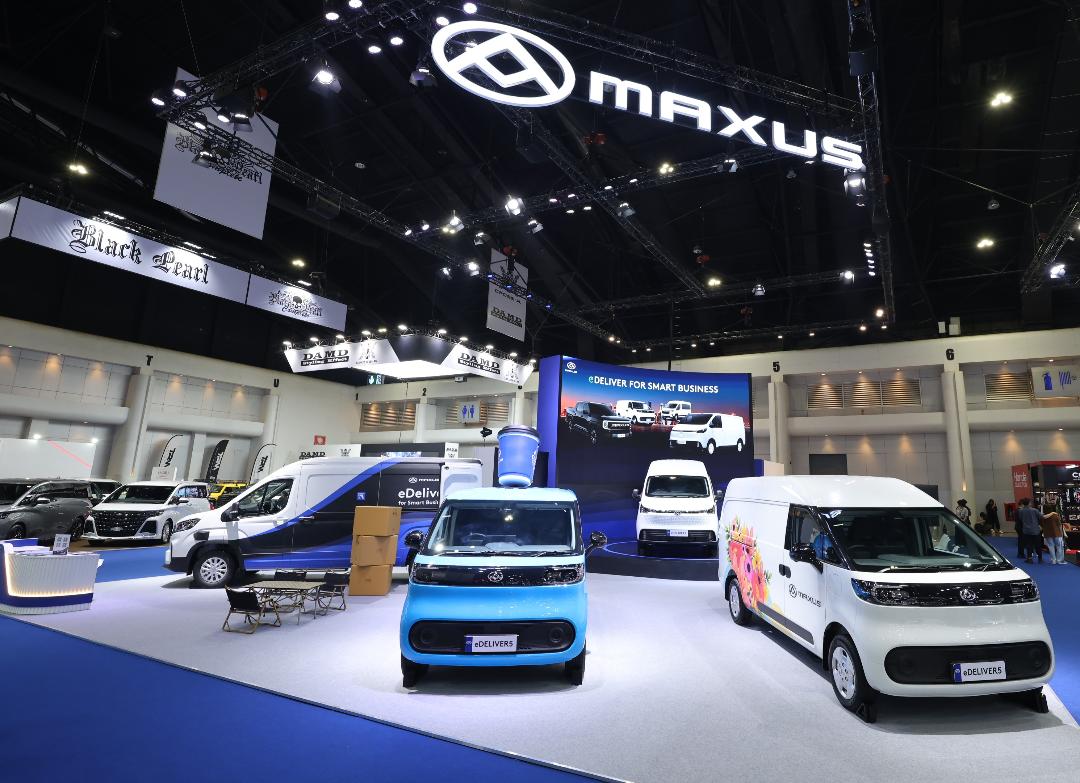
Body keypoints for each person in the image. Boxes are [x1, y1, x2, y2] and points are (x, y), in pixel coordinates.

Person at [1017, 498, 1044, 564]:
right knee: (1038, 545)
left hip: (1026, 531)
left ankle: (1029, 559)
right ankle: (1040, 559)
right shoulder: (1034, 510)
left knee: (1029, 545)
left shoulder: (1020, 511)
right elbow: (1041, 517)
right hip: (1035, 530)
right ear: (1029, 503)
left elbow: (1020, 519)